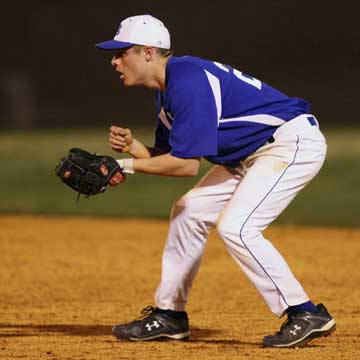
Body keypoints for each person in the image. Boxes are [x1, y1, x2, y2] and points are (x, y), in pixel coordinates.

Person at [95, 14, 336, 347]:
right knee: (188, 210)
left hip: (288, 142)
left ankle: (305, 312)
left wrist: (121, 165)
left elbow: (185, 166)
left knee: (237, 227)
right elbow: (170, 154)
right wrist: (134, 151)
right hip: (248, 155)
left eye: (122, 52)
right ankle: (170, 316)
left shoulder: (188, 81)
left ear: (148, 52)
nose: (115, 60)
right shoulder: (167, 90)